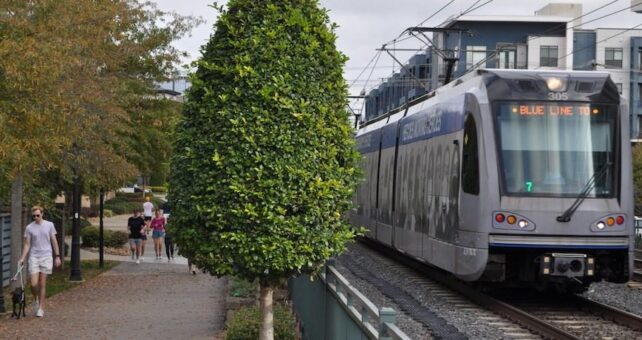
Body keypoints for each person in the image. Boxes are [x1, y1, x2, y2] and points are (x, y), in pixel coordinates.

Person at [18, 206, 62, 317]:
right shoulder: (29, 228)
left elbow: (54, 241)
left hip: (46, 256)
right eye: (34, 216)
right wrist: (22, 258)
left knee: (42, 283)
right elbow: (27, 244)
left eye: (38, 215)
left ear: (42, 214)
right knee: (33, 284)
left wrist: (57, 256)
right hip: (34, 257)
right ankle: (35, 298)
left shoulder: (49, 225)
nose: (36, 217)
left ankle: (41, 308)